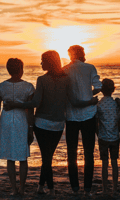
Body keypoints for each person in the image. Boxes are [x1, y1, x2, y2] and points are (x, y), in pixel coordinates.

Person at [7, 51, 97, 196]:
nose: (41, 63)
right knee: (47, 157)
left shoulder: (42, 80)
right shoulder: (66, 79)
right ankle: (41, 186)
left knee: (46, 158)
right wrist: (90, 101)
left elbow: (36, 103)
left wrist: (16, 104)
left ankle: (51, 189)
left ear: (49, 62)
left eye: (42, 60)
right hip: (58, 125)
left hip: (42, 124)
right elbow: (74, 102)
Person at [63, 45, 102, 195]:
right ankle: (87, 188)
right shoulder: (90, 67)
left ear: (71, 55)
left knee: (71, 152)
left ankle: (74, 187)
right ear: (81, 54)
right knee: (89, 152)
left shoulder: (65, 69)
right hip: (89, 115)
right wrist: (88, 93)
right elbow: (98, 87)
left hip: (71, 116)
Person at [0, 58, 34, 196]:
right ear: (21, 69)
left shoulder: (1, 86)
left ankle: (14, 189)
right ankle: (21, 189)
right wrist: (31, 128)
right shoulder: (28, 87)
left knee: (10, 157)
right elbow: (31, 109)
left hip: (6, 120)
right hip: (22, 120)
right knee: (22, 157)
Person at [95, 79, 120, 196]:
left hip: (103, 137)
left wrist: (98, 134)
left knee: (104, 164)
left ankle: (105, 189)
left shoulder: (99, 105)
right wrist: (117, 131)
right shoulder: (116, 104)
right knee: (115, 162)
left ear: (101, 90)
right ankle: (115, 189)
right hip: (115, 137)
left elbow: (96, 122)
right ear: (113, 89)